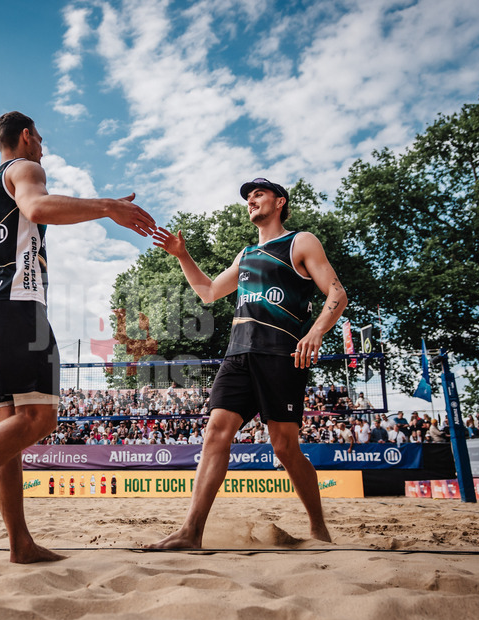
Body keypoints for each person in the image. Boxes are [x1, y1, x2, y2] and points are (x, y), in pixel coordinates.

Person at [0, 110, 157, 573]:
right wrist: (107, 206)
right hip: (15, 303)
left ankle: (19, 542)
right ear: (25, 136)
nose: (42, 145)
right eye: (39, 136)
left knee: (8, 431)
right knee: (40, 418)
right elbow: (38, 209)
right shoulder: (25, 170)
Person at [148, 177, 346, 549]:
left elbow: (337, 292)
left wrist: (316, 331)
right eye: (248, 196)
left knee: (285, 447)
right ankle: (192, 531)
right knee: (215, 433)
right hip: (238, 355)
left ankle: (318, 528)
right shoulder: (245, 255)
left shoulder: (300, 242)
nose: (251, 200)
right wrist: (182, 255)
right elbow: (207, 292)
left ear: (280, 202)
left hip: (280, 355)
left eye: (259, 194)